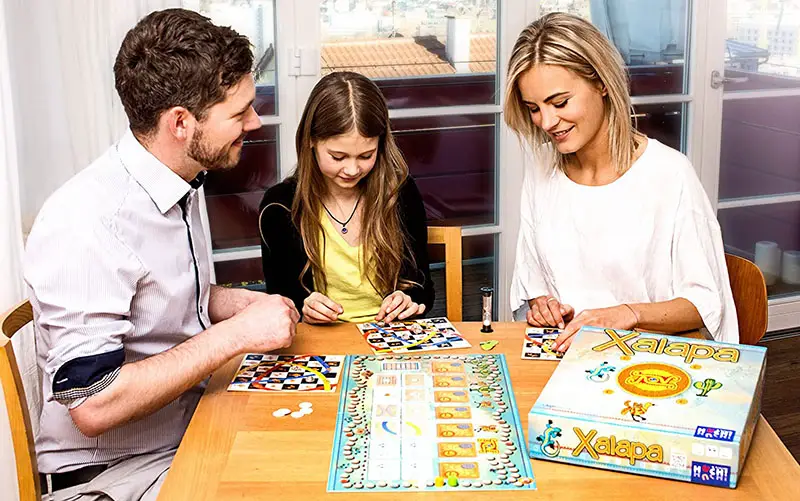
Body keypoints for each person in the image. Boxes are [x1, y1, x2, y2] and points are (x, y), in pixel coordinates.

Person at [24, 9, 299, 500]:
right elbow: (93, 404)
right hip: (113, 475)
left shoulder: (179, 179)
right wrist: (235, 335)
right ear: (181, 123)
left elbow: (155, 296)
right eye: (239, 112)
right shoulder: (87, 220)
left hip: (187, 432)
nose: (254, 122)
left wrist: (232, 303)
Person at [504, 13, 738, 351]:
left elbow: (705, 304)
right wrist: (542, 303)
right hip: (563, 355)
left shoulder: (669, 174)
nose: (547, 122)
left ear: (601, 83)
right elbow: (532, 278)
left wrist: (627, 314)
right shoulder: (541, 168)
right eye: (533, 108)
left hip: (647, 361)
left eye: (559, 102)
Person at [259, 71, 434, 324]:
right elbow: (281, 300)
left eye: (366, 156)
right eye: (338, 157)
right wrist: (303, 307)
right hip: (319, 342)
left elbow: (423, 289)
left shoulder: (399, 192)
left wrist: (409, 299)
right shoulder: (280, 206)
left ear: (380, 145)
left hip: (391, 336)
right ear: (310, 141)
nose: (352, 170)